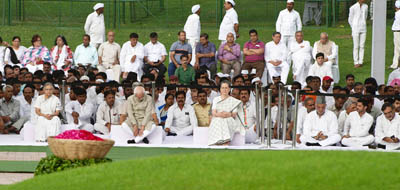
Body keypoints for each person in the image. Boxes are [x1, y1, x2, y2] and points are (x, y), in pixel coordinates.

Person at [208, 80, 243, 145]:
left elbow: (234, 114)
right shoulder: (216, 99)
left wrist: (228, 114)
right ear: (220, 89)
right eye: (223, 88)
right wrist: (220, 114)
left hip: (229, 119)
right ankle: (218, 141)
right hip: (217, 118)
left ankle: (226, 141)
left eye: (226, 88)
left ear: (229, 89)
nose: (224, 90)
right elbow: (213, 112)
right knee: (218, 120)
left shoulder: (233, 100)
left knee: (225, 120)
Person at [348, 0, 368, 68]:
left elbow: (365, 16)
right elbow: (350, 19)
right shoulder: (353, 7)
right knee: (356, 46)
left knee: (362, 45)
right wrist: (353, 27)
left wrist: (363, 23)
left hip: (363, 28)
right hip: (355, 28)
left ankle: (361, 61)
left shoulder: (366, 6)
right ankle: (356, 62)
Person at [391, 1, 400, 69]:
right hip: (397, 31)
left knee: (397, 49)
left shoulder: (397, 14)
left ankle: (395, 64)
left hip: (397, 31)